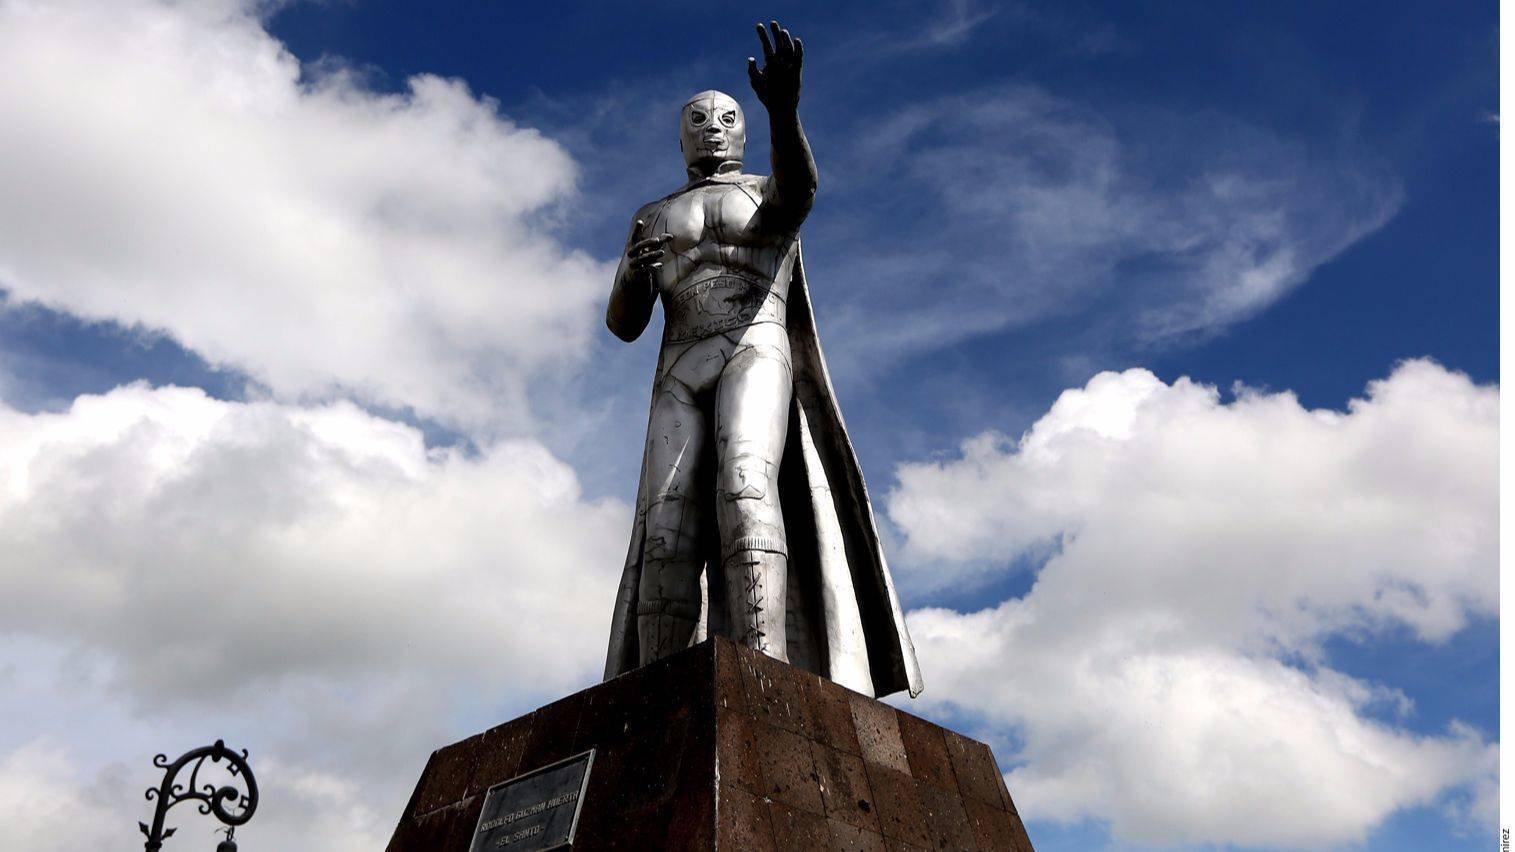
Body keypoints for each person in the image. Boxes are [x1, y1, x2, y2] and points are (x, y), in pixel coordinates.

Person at [602, 21, 922, 699]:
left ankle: (764, 673)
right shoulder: (651, 215)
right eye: (697, 120)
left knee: (746, 487)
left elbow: (799, 191)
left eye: (726, 117)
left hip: (754, 343)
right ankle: (653, 697)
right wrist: (631, 275)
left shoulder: (759, 189)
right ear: (680, 135)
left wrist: (784, 110)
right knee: (665, 522)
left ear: (743, 130)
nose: (711, 128)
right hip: (677, 367)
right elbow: (624, 326)